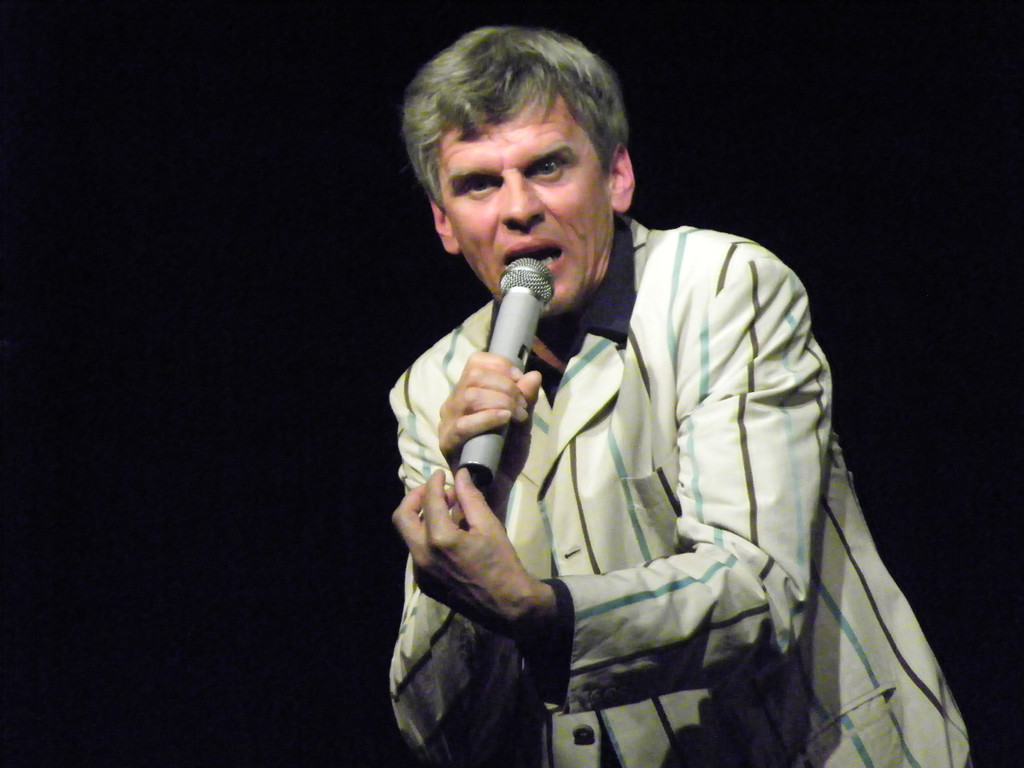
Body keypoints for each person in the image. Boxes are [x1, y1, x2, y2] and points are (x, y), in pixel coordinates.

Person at [387, 26, 970, 768]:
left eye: (548, 166)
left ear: (617, 176)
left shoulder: (721, 285)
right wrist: (480, 502)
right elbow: (437, 731)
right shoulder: (432, 387)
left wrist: (542, 614)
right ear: (444, 221)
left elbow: (757, 589)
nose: (518, 208)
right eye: (479, 184)